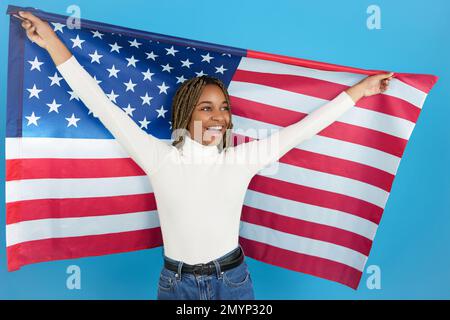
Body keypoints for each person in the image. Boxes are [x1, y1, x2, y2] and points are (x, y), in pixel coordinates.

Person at [18, 10, 393, 300]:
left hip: (232, 280)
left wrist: (359, 90)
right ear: (186, 114)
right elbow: (99, 103)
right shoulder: (158, 156)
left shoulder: (242, 159)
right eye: (206, 108)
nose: (219, 118)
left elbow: (303, 130)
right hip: (175, 284)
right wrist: (52, 41)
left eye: (224, 108)